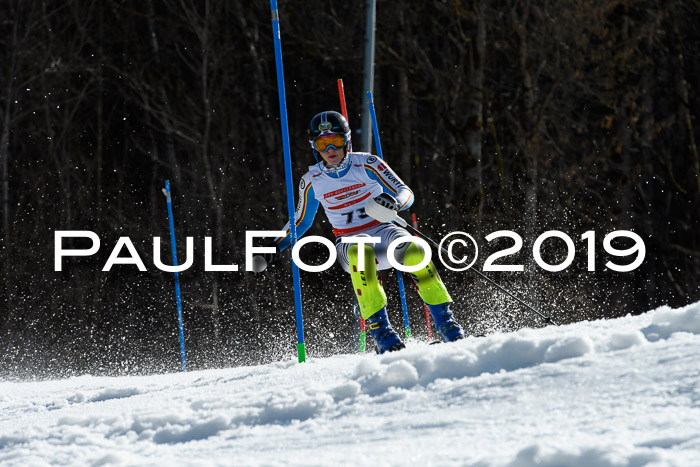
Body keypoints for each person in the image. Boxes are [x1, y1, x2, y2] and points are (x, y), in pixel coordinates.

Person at [257, 110, 464, 353]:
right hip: (349, 242)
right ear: (314, 146)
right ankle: (383, 334)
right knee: (360, 251)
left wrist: (395, 202)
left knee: (415, 250)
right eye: (323, 143)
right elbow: (300, 222)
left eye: (336, 141)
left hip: (385, 231)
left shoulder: (367, 163)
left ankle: (448, 325)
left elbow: (405, 192)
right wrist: (274, 246)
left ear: (347, 141)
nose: (330, 149)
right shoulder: (311, 180)